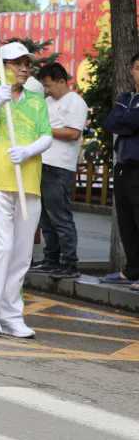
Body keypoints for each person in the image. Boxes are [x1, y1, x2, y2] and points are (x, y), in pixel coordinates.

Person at [0, 41, 52, 337]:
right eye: (17, 63)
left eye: (27, 63)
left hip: (28, 185)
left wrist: (29, 150)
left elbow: (47, 136)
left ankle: (12, 313)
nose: (24, 68)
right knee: (0, 248)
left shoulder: (36, 100)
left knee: (21, 254)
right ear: (2, 66)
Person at [30, 63, 87, 279]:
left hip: (60, 166)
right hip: (42, 163)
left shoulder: (75, 102)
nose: (47, 90)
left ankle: (69, 263)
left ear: (62, 81)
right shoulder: (47, 102)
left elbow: (73, 133)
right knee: (45, 217)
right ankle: (51, 259)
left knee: (60, 216)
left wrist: (45, 130)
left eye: (49, 85)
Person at [102, 52, 139, 290]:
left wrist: (128, 120)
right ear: (131, 70)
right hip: (123, 166)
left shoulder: (126, 103)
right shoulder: (126, 97)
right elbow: (111, 123)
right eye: (138, 68)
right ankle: (132, 269)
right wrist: (129, 120)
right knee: (126, 222)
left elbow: (131, 122)